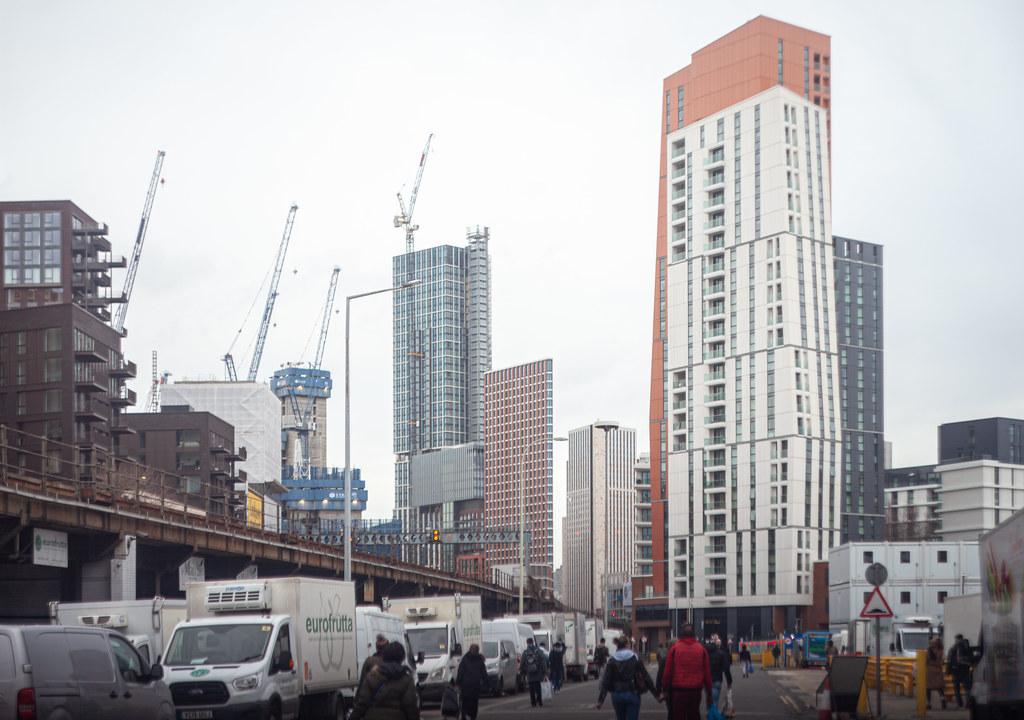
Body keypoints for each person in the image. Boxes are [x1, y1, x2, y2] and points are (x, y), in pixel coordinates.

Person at [348, 641, 419, 720]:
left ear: (384, 656)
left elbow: (362, 704)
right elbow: (410, 705)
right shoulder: (407, 679)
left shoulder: (371, 677)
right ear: (402, 658)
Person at [596, 635, 658, 720]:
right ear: (627, 644)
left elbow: (606, 681)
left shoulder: (612, 660)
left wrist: (600, 700)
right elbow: (645, 676)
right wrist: (656, 694)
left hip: (617, 694)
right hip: (632, 693)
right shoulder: (635, 658)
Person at [660, 624, 711, 720]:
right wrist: (709, 694)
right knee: (694, 715)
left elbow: (667, 672)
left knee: (678, 716)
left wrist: (665, 690)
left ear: (681, 634)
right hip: (695, 692)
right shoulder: (702, 650)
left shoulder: (674, 649)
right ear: (694, 635)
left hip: (679, 692)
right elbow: (707, 675)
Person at [455, 643, 489, 720]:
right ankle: (472, 716)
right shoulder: (479, 660)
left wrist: (458, 684)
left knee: (465, 701)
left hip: (466, 685)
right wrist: (488, 685)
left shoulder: (465, 659)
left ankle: (464, 713)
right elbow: (484, 673)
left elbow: (460, 672)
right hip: (475, 685)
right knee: (474, 702)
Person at [519, 636, 549, 707]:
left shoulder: (525, 653)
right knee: (538, 687)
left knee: (531, 688)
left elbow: (522, 663)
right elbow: (543, 663)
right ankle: (540, 701)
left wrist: (522, 673)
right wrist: (545, 673)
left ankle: (533, 702)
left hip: (530, 673)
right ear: (533, 642)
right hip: (539, 673)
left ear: (527, 643)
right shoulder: (539, 651)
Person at [948, 634, 973, 708]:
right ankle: (968, 702)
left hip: (956, 671)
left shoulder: (954, 647)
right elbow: (971, 657)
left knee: (957, 689)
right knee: (968, 688)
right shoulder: (967, 647)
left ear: (957, 639)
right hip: (966, 670)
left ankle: (959, 704)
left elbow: (950, 658)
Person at [707, 638, 733, 710]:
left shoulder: (705, 654)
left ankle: (709, 714)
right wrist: (729, 682)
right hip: (717, 679)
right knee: (714, 700)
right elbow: (726, 669)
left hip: (707, 681)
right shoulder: (721, 654)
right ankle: (713, 716)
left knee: (708, 699)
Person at [926, 636, 947, 710]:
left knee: (928, 688)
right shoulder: (941, 651)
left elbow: (926, 660)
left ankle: (928, 703)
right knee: (940, 688)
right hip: (938, 669)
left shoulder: (929, 651)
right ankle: (942, 699)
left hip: (930, 670)